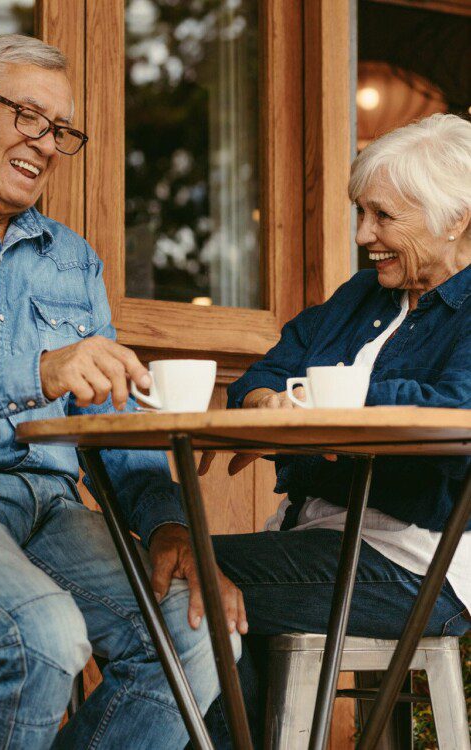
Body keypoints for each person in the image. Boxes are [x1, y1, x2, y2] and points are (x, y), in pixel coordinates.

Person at [0, 34, 244, 750]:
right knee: (44, 636)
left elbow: (114, 431)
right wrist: (33, 372)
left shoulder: (72, 260)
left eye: (61, 129)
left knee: (199, 638)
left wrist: (168, 527)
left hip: (51, 507)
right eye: (28, 115)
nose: (45, 141)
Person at [198, 112, 471, 745]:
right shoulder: (361, 296)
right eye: (360, 214)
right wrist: (268, 403)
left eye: (382, 216)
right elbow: (266, 372)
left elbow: (458, 410)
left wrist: (334, 404)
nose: (362, 234)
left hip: (418, 564)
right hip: (315, 538)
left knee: (180, 576)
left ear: (454, 218)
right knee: (179, 577)